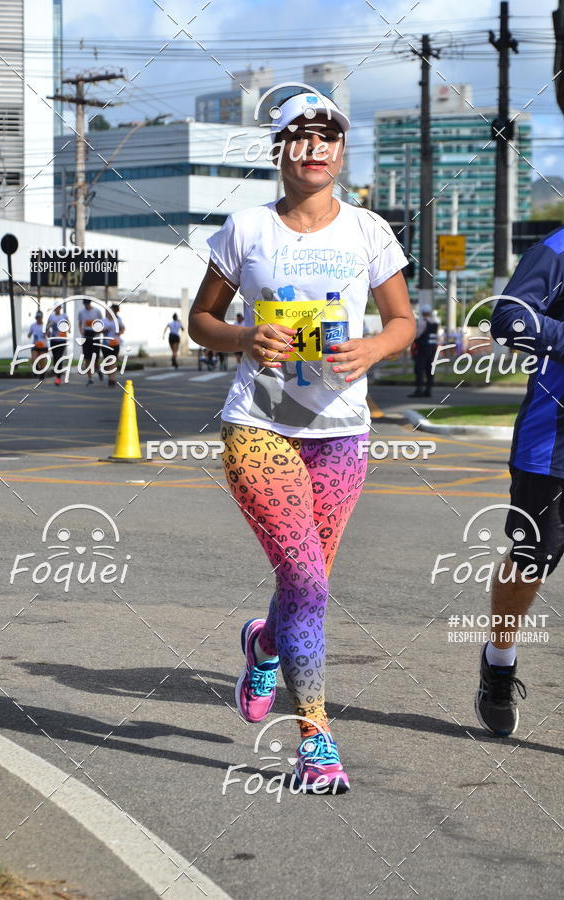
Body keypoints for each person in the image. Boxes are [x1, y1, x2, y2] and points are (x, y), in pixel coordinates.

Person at [189, 91, 414, 792]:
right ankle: (315, 740)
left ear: (341, 152)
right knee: (310, 582)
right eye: (300, 135)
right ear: (279, 150)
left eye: (328, 136)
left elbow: (403, 321)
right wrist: (243, 337)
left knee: (303, 582)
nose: (315, 146)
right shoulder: (247, 228)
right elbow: (200, 320)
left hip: (341, 433)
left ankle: (263, 643)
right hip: (259, 424)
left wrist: (373, 348)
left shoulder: (369, 230)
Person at [478, 139, 564, 737]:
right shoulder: (560, 248)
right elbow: (509, 319)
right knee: (529, 564)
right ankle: (499, 662)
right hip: (557, 450)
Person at [409, 305, 438, 398]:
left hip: (423, 348)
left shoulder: (422, 322)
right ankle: (428, 390)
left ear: (422, 313)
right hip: (432, 349)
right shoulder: (435, 322)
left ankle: (419, 390)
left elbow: (417, 335)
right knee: (429, 369)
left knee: (419, 369)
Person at [77, 297, 103, 385]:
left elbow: (101, 323)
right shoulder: (81, 312)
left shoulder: (97, 311)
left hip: (95, 336)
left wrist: (98, 330)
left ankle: (98, 369)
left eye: (87, 304)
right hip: (86, 335)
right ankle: (90, 378)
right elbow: (80, 323)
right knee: (87, 358)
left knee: (95, 358)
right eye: (85, 304)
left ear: (90, 303)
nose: (86, 306)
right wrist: (81, 332)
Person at [101, 303, 125, 387]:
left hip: (115, 343)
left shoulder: (118, 320)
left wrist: (120, 332)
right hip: (105, 344)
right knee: (107, 364)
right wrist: (104, 329)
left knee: (113, 361)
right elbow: (98, 330)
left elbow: (123, 328)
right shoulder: (104, 320)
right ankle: (109, 374)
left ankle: (112, 380)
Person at [46, 304, 70, 386]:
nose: (57, 309)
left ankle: (58, 378)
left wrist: (68, 329)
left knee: (59, 357)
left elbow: (68, 324)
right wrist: (49, 327)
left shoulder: (64, 316)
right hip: (53, 340)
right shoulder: (51, 317)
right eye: (56, 307)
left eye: (59, 307)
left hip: (62, 340)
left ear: (60, 308)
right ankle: (57, 374)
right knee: (55, 358)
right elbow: (47, 328)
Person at [27, 311, 48, 381]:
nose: (38, 319)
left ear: (42, 317)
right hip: (35, 345)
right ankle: (36, 369)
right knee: (34, 359)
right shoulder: (33, 325)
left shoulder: (45, 326)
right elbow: (29, 335)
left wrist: (47, 333)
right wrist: (29, 334)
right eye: (37, 318)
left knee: (42, 360)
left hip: (43, 345)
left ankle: (42, 374)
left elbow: (49, 335)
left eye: (39, 317)